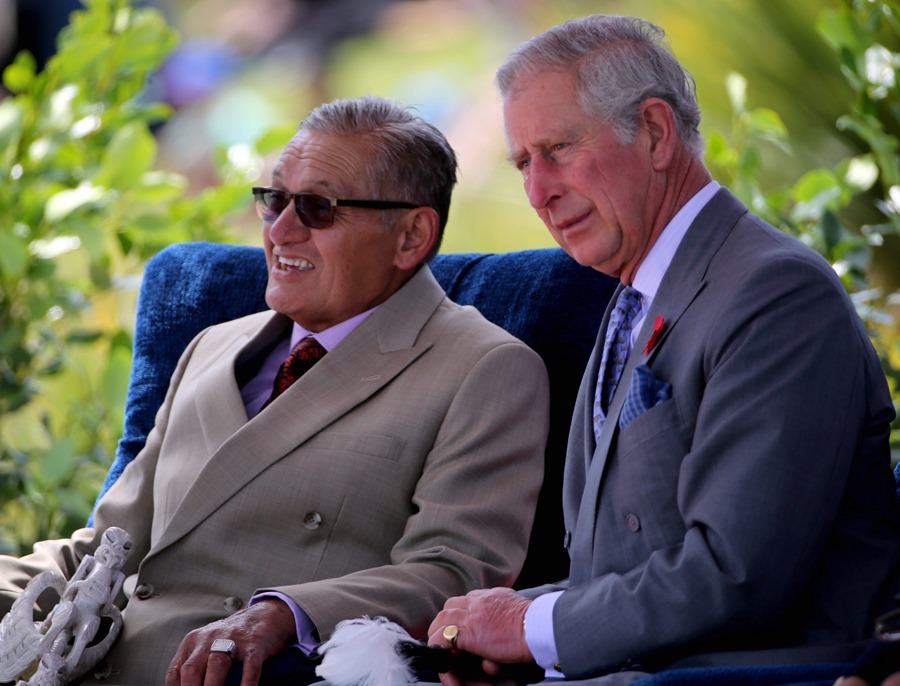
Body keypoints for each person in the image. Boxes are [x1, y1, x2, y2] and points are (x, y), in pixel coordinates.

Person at [0, 95, 551, 686]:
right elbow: (104, 549)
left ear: (412, 235)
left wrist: (285, 614)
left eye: (317, 207)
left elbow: (451, 574)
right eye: (274, 200)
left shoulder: (484, 368)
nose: (281, 232)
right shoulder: (211, 347)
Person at [427, 14, 900, 685]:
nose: (538, 192)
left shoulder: (775, 293)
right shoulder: (632, 293)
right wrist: (497, 628)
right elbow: (616, 574)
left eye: (558, 149)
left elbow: (737, 577)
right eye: (524, 163)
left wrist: (530, 629)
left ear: (654, 132)